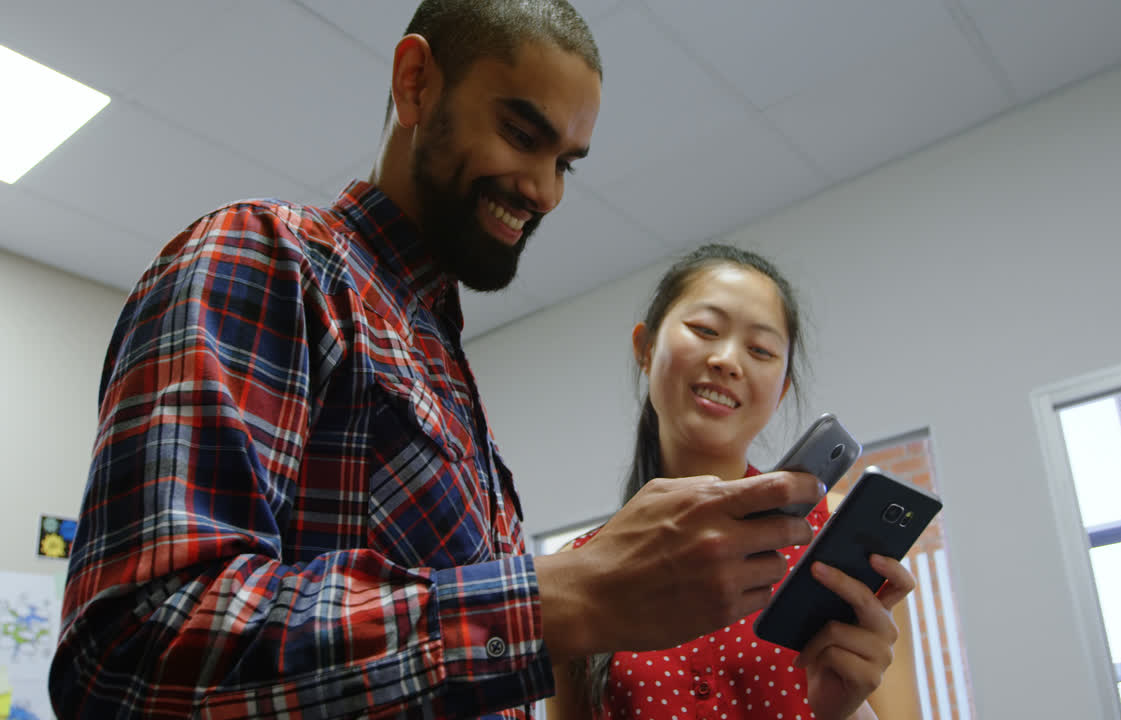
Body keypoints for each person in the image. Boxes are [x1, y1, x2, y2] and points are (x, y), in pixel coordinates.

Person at [48, 2, 830, 718]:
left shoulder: (447, 376)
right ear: (416, 82)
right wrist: (559, 598)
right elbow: (132, 652)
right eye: (521, 134)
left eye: (566, 162)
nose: (547, 191)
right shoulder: (269, 257)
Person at [544, 244, 921, 720]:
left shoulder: (837, 534)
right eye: (705, 330)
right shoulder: (580, 567)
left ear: (781, 390)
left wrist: (845, 710)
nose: (727, 360)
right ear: (646, 348)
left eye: (760, 350)